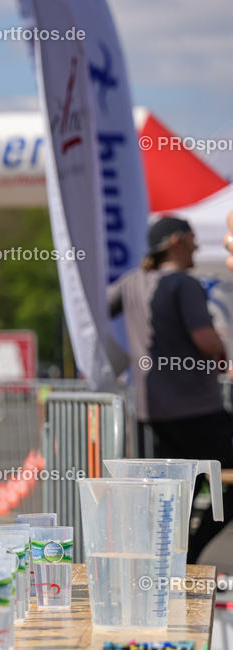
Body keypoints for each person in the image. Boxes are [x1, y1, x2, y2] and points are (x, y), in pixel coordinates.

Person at [108, 216, 232, 564]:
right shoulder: (184, 284)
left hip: (152, 412)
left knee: (176, 496)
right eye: (193, 238)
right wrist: (221, 348)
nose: (197, 245)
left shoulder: (132, 282)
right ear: (176, 241)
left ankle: (173, 567)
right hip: (196, 409)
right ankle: (189, 556)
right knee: (201, 488)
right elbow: (205, 342)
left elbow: (95, 307)